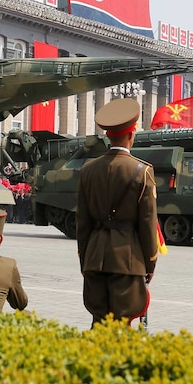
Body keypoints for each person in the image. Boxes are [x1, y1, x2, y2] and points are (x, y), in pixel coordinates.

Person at [77, 98, 159, 325]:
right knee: (121, 326)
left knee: (99, 322)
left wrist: (85, 261)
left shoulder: (88, 170)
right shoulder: (142, 172)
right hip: (128, 260)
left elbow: (82, 223)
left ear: (108, 136)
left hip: (94, 258)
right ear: (132, 135)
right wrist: (150, 263)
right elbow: (147, 224)